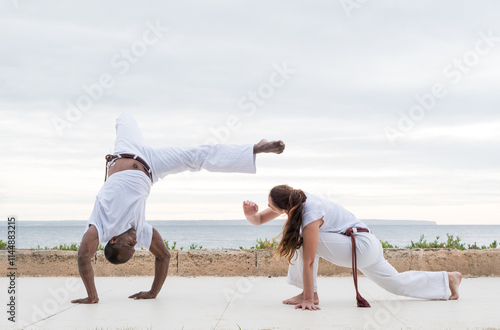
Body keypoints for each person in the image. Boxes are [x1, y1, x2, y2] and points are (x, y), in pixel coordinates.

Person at [71, 112, 285, 304]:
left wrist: (92, 296)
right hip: (152, 166)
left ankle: (255, 148)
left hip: (125, 150)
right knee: (197, 156)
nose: (135, 241)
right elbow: (163, 256)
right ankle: (256, 148)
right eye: (134, 246)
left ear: (114, 240)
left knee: (124, 116)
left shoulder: (101, 226)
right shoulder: (141, 231)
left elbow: (83, 256)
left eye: (129, 244)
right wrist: (153, 292)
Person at [243, 184, 462, 311]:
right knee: (396, 284)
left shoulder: (309, 214)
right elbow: (259, 219)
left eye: (272, 207)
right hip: (367, 244)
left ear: (284, 207)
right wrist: (249, 214)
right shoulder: (297, 201)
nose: (269, 209)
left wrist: (310, 299)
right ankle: (447, 280)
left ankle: (309, 294)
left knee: (301, 241)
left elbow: (309, 260)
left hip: (359, 246)